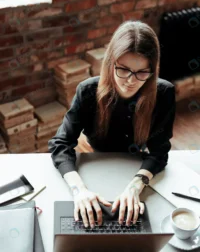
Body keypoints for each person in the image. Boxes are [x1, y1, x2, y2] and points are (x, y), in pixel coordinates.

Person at [48, 20, 176, 230]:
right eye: (123, 69)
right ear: (110, 64)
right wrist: (79, 190)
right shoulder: (88, 91)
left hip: (135, 167)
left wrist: (135, 188)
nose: (130, 81)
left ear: (153, 70)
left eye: (142, 72)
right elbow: (60, 143)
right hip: (94, 163)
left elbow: (160, 152)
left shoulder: (164, 93)